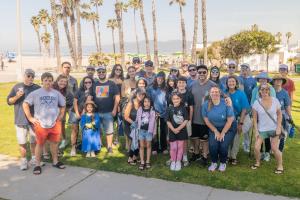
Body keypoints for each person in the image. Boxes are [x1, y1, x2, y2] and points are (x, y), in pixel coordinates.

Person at [23, 72, 66, 175]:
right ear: (42, 81)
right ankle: (37, 164)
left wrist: (61, 116)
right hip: (41, 123)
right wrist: (30, 117)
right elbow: (25, 104)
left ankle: (55, 161)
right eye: (46, 80)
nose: (48, 82)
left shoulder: (56, 93)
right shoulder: (36, 93)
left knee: (54, 143)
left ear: (52, 82)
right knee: (40, 144)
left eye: (50, 80)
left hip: (54, 123)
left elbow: (63, 105)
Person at [7, 69, 40, 170]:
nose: (30, 78)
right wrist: (17, 96)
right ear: (24, 76)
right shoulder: (17, 87)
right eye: (28, 76)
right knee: (22, 142)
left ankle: (34, 158)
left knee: (33, 141)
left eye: (32, 76)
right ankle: (24, 160)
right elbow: (9, 101)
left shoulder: (37, 88)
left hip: (33, 120)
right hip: (20, 119)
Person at [251, 83, 283, 174]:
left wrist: (279, 127)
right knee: (257, 147)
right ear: (259, 91)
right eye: (262, 89)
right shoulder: (256, 102)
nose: (264, 91)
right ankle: (257, 162)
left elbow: (279, 114)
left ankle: (280, 166)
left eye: (266, 89)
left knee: (274, 148)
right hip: (262, 129)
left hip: (274, 128)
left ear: (269, 90)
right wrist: (256, 130)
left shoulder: (275, 100)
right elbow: (254, 118)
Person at [202, 86, 236, 172]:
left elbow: (230, 120)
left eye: (216, 92)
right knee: (213, 144)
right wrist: (216, 131)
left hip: (228, 128)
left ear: (220, 93)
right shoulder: (206, 105)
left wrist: (223, 132)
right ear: (210, 94)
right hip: (214, 128)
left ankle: (223, 162)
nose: (214, 93)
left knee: (223, 145)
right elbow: (206, 121)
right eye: (212, 92)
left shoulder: (226, 103)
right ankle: (214, 162)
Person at [190, 65, 216, 166]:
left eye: (204, 72)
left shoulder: (212, 85)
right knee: (194, 137)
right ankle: (196, 153)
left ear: (207, 73)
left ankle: (204, 156)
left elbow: (219, 97)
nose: (201, 74)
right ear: (197, 73)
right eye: (199, 72)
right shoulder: (192, 84)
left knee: (204, 139)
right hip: (194, 116)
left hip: (206, 118)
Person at [93, 66, 120, 154]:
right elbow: (90, 97)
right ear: (97, 73)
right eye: (99, 72)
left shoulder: (112, 84)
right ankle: (99, 145)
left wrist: (115, 109)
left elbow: (117, 97)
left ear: (106, 72)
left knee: (109, 130)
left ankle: (109, 146)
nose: (101, 73)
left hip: (109, 111)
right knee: (97, 130)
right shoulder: (95, 84)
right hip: (97, 112)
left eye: (103, 72)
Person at [250, 72, 276, 161]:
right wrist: (253, 113)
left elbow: (273, 101)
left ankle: (267, 152)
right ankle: (260, 152)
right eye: (261, 79)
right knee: (259, 134)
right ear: (258, 80)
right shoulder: (255, 89)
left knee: (267, 135)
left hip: (268, 116)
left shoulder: (271, 89)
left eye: (264, 79)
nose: (263, 80)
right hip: (258, 114)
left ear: (267, 80)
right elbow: (252, 102)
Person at [225, 76, 250, 165]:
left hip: (240, 117)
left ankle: (233, 156)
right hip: (228, 118)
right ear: (227, 83)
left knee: (236, 136)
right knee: (227, 136)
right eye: (229, 81)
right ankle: (227, 155)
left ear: (236, 83)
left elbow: (244, 109)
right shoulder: (225, 93)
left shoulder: (241, 93)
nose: (231, 83)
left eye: (233, 81)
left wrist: (240, 123)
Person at [70, 76, 94, 156]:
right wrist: (77, 113)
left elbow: (88, 103)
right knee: (74, 130)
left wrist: (83, 112)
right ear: (83, 83)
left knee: (86, 130)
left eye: (89, 82)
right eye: (86, 82)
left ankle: (85, 147)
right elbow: (75, 102)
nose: (87, 84)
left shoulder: (93, 91)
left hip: (85, 113)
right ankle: (73, 148)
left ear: (92, 83)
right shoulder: (79, 90)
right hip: (75, 112)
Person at [175, 76, 194, 167]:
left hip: (186, 120)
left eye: (183, 82)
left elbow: (191, 108)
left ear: (186, 84)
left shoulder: (189, 94)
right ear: (177, 84)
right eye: (179, 82)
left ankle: (185, 156)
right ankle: (175, 156)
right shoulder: (174, 93)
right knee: (176, 138)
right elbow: (170, 107)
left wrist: (189, 120)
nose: (181, 84)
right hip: (175, 121)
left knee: (185, 139)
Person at [167, 91, 189, 171]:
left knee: (180, 147)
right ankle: (173, 161)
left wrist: (178, 129)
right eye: (174, 99)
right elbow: (168, 121)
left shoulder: (183, 108)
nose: (176, 100)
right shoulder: (169, 108)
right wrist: (173, 129)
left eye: (177, 99)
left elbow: (186, 120)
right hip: (172, 131)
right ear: (171, 100)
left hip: (182, 131)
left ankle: (178, 161)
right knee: (173, 147)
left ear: (180, 99)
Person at [124, 88, 146, 165]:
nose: (141, 96)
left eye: (143, 94)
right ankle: (130, 158)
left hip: (138, 125)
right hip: (129, 125)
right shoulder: (131, 103)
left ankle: (135, 156)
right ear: (136, 94)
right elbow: (126, 117)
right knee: (134, 140)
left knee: (138, 140)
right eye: (140, 94)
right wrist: (134, 124)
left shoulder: (142, 103)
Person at [148, 71, 168, 155]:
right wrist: (153, 111)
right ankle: (154, 147)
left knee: (163, 130)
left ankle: (164, 147)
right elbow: (149, 101)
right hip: (154, 112)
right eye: (158, 78)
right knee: (154, 130)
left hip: (164, 112)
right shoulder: (151, 88)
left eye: (162, 78)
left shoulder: (166, 88)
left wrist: (164, 112)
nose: (160, 79)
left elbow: (168, 100)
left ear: (164, 79)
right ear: (156, 78)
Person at [271, 75, 292, 152]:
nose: (278, 81)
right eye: (276, 80)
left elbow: (287, 105)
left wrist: (289, 116)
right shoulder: (270, 91)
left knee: (282, 133)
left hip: (282, 115)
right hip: (271, 115)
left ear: (282, 82)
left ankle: (280, 149)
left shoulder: (285, 93)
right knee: (272, 132)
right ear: (273, 82)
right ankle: (271, 148)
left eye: (280, 80)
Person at [52, 75, 74, 150]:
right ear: (57, 81)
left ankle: (63, 140)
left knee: (61, 125)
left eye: (65, 82)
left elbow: (70, 101)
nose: (63, 83)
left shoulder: (67, 91)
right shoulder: (52, 88)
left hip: (62, 109)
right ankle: (53, 141)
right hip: (51, 110)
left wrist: (64, 102)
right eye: (61, 81)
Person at [239, 63, 256, 152]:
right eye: (242, 68)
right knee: (238, 126)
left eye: (246, 68)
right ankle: (238, 144)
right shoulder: (238, 78)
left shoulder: (252, 80)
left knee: (247, 127)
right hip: (238, 106)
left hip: (249, 107)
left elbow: (255, 94)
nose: (244, 70)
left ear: (249, 69)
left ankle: (246, 144)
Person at [136, 95, 156, 170]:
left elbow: (154, 123)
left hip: (149, 131)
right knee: (141, 146)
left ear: (151, 103)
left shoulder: (152, 111)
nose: (146, 103)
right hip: (141, 131)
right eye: (145, 101)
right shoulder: (140, 109)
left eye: (148, 101)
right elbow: (137, 120)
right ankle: (142, 161)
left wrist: (154, 132)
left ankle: (147, 161)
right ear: (143, 102)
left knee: (148, 146)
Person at [109, 64, 125, 145]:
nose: (118, 71)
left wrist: (119, 104)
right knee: (111, 122)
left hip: (121, 103)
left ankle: (117, 138)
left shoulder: (123, 80)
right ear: (114, 70)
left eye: (120, 70)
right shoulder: (110, 80)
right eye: (117, 69)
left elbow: (123, 93)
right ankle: (110, 139)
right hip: (111, 103)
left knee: (119, 122)